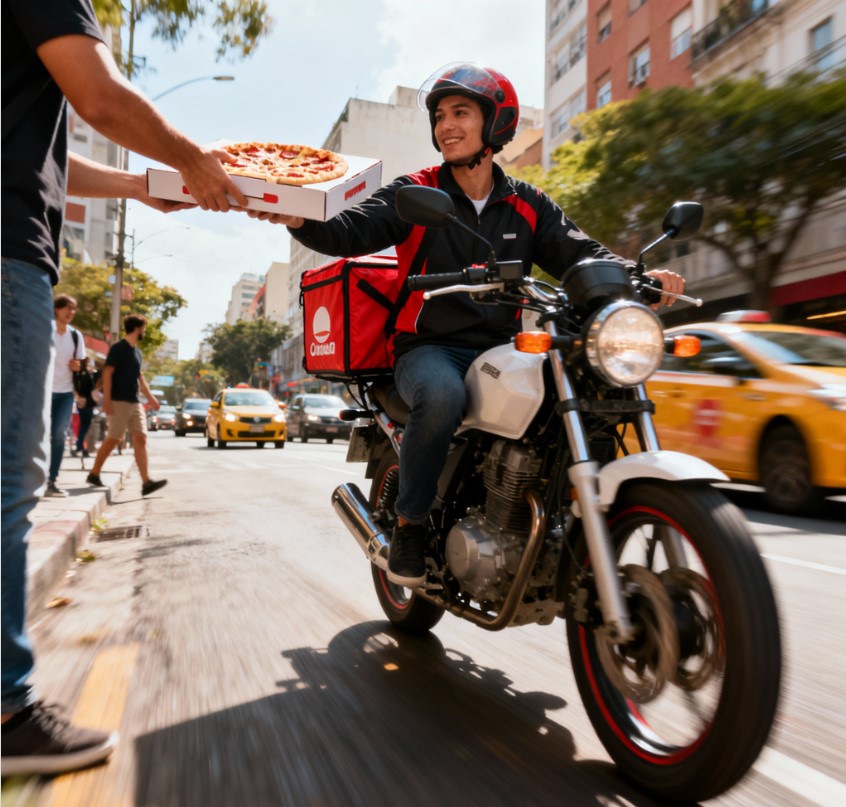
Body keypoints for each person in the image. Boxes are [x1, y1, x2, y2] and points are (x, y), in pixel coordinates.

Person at [246, 63, 685, 588]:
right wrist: (296, 214)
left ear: (495, 122)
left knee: (590, 391)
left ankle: (564, 523)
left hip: (505, 348)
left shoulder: (528, 204)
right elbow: (350, 231)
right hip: (429, 347)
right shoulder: (417, 191)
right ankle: (410, 526)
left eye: (460, 112)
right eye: (439, 116)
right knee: (443, 397)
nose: (445, 125)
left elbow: (580, 255)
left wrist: (639, 277)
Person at [1, 0, 247, 777]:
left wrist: (144, 183)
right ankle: (6, 708)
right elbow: (98, 95)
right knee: (9, 480)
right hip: (8, 256)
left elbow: (51, 159)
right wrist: (194, 162)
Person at [85, 314, 166, 497]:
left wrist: (151, 397)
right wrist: (107, 401)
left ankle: (146, 482)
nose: (144, 331)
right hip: (119, 401)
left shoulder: (137, 352)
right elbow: (107, 374)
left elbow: (140, 377)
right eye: (143, 327)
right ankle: (94, 473)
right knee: (114, 438)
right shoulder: (118, 349)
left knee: (141, 437)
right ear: (137, 328)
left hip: (135, 401)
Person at [44, 294, 87, 496]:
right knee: (39, 436)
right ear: (56, 309)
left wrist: (78, 366)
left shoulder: (76, 336)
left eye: (73, 309)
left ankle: (52, 480)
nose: (70, 312)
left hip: (65, 393)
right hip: (42, 391)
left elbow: (82, 365)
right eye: (66, 308)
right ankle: (34, 480)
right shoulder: (46, 329)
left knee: (59, 436)